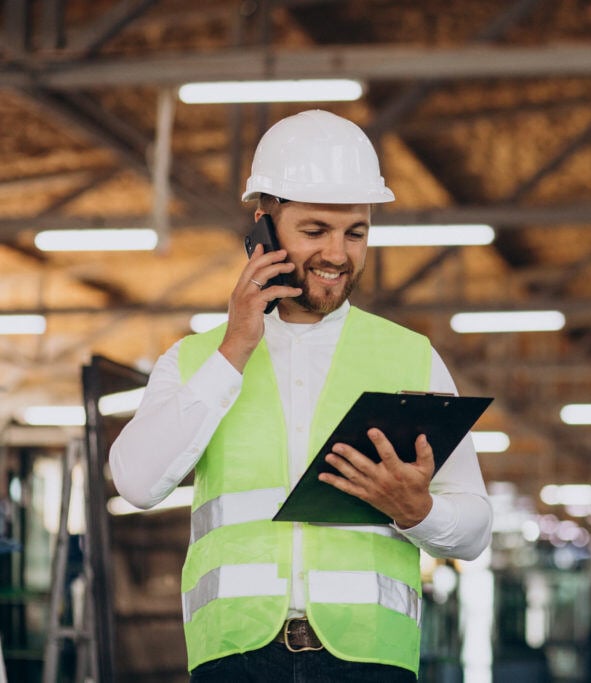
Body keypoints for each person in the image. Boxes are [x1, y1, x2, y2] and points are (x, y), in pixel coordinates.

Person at [109, 109, 493, 682]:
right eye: (314, 231)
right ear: (264, 226)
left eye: (355, 233)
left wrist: (421, 512)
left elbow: (476, 529)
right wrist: (235, 348)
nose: (337, 254)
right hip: (235, 658)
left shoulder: (412, 359)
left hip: (369, 661)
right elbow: (136, 483)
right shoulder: (194, 361)